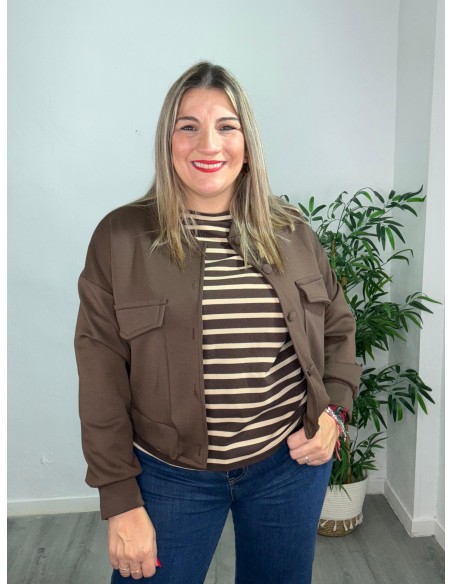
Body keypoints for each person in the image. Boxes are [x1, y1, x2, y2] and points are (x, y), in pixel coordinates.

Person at [75, 61, 361, 584]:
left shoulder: (292, 231)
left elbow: (338, 326)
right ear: (167, 142)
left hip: (288, 467)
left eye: (227, 126)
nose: (209, 144)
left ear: (247, 143)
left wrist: (334, 414)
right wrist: (120, 500)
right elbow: (100, 377)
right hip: (168, 478)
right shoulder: (119, 239)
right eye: (189, 126)